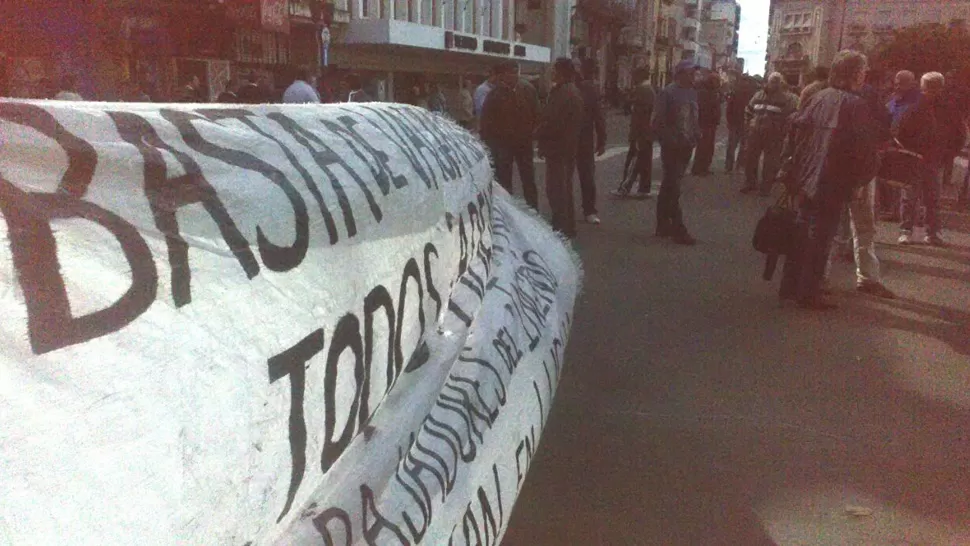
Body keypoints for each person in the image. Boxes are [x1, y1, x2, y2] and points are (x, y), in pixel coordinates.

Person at [779, 50, 880, 310]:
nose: (865, 75)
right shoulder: (856, 105)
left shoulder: (818, 97)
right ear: (856, 74)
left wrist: (791, 168)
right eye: (863, 70)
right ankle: (808, 293)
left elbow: (795, 132)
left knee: (801, 231)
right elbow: (863, 150)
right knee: (821, 236)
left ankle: (790, 286)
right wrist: (860, 181)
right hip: (832, 180)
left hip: (806, 176)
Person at [651, 59, 701, 245]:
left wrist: (696, 134)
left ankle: (662, 224)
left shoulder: (692, 93)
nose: (693, 76)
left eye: (693, 73)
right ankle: (679, 229)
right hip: (673, 147)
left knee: (668, 185)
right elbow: (658, 122)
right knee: (673, 186)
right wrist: (671, 140)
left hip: (687, 146)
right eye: (690, 73)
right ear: (680, 74)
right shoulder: (668, 93)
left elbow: (694, 118)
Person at [480, 61, 541, 209]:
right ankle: (508, 211)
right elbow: (486, 123)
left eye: (516, 72)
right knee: (504, 179)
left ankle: (533, 209)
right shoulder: (494, 95)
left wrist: (533, 134)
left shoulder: (528, 90)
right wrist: (489, 145)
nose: (513, 76)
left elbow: (537, 114)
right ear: (504, 75)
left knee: (528, 178)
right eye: (510, 73)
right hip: (503, 144)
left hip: (524, 142)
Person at [536, 58, 585, 238]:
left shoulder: (564, 93)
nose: (551, 73)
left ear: (561, 72)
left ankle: (561, 226)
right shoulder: (571, 92)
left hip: (559, 148)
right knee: (564, 187)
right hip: (566, 147)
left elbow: (552, 121)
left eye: (554, 70)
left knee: (557, 189)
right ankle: (566, 225)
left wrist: (538, 134)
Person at [897, 72, 946, 246]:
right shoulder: (946, 109)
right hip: (927, 157)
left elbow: (900, 130)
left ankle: (909, 231)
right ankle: (931, 231)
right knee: (927, 197)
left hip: (919, 156)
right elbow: (958, 133)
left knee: (915, 196)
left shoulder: (914, 106)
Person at [742, 72, 798, 196]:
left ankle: (765, 188)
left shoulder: (786, 98)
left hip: (774, 135)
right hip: (755, 132)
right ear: (768, 81)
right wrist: (748, 125)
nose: (774, 84)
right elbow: (749, 110)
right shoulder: (758, 95)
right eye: (772, 81)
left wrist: (783, 132)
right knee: (750, 158)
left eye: (777, 81)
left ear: (781, 83)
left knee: (770, 162)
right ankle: (750, 183)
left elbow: (790, 116)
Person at [612, 67, 655, 198]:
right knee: (645, 162)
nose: (633, 78)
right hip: (647, 132)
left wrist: (635, 135)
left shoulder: (642, 90)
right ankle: (644, 188)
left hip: (640, 133)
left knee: (634, 161)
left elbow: (639, 114)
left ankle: (625, 187)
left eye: (634, 75)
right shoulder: (650, 90)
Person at [576, 58, 607, 224]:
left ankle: (588, 209)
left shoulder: (588, 89)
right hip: (579, 139)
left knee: (585, 176)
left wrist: (602, 139)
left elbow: (598, 116)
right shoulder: (588, 89)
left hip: (582, 139)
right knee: (585, 176)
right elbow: (599, 116)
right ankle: (588, 210)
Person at [691, 73, 721, 176]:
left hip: (711, 123)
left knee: (708, 147)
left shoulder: (712, 91)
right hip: (705, 123)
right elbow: (704, 108)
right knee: (703, 147)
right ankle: (699, 169)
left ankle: (704, 168)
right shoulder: (704, 92)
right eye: (717, 81)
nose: (718, 83)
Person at [724, 75, 756, 172]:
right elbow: (729, 108)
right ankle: (731, 167)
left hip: (743, 123)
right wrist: (729, 121)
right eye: (744, 81)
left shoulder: (751, 94)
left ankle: (735, 166)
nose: (745, 83)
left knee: (740, 146)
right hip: (737, 123)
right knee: (734, 146)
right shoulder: (737, 93)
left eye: (746, 81)